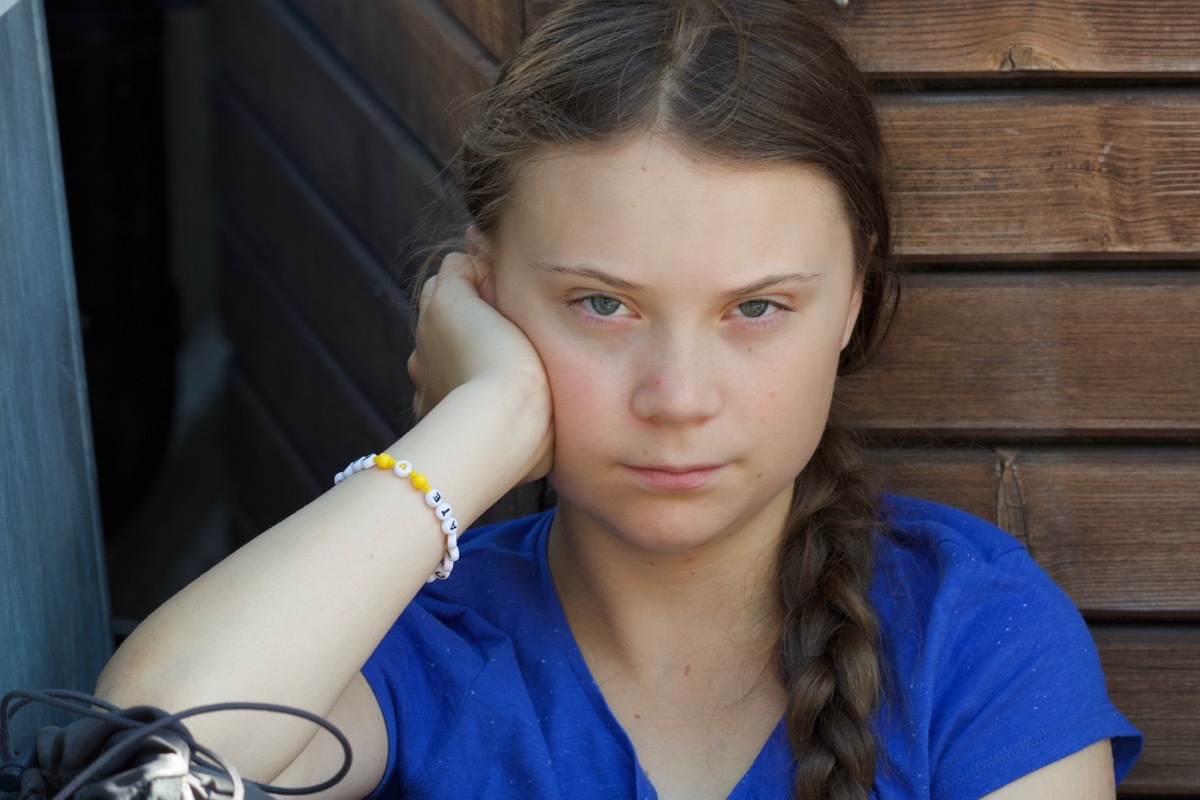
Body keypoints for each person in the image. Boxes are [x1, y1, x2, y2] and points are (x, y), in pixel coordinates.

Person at [96, 1, 1142, 798]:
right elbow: (138, 758)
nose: (678, 397)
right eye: (603, 304)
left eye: (757, 307)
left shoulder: (971, 636)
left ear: (853, 301)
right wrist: (477, 428)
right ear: (486, 298)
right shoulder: (417, 638)